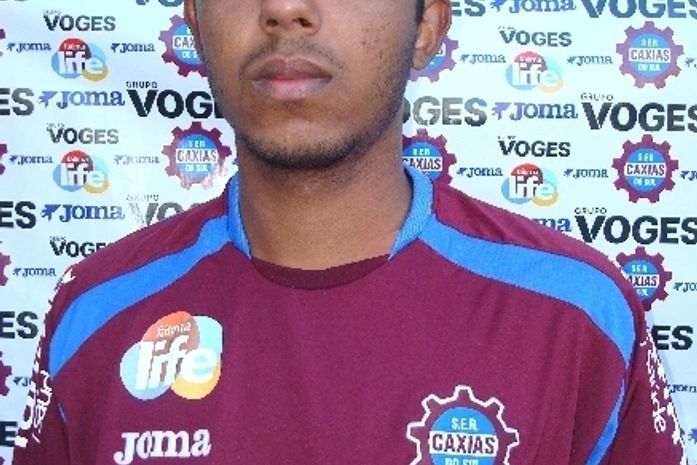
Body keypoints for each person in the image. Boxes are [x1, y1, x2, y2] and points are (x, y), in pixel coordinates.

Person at [12, 0, 688, 464]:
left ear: (426, 25)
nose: (284, 9)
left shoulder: (576, 314)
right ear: (194, 20)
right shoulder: (96, 314)